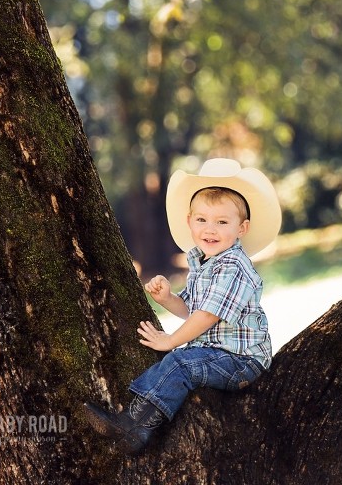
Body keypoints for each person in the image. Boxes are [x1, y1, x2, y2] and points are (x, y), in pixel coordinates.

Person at [84, 158, 281, 455]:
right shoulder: (204, 263)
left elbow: (207, 315)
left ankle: (134, 429)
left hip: (241, 361)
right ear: (189, 221)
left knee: (181, 361)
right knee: (184, 360)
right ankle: (134, 421)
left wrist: (170, 341)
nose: (209, 229)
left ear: (242, 228)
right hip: (218, 354)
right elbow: (191, 309)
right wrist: (168, 299)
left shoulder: (234, 267)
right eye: (201, 220)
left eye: (222, 222)